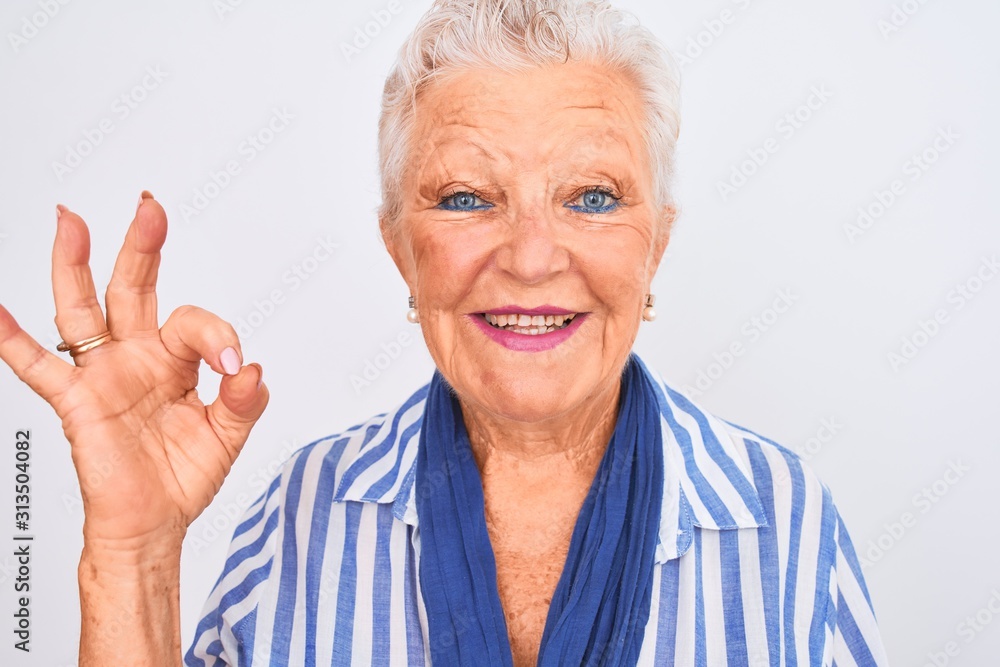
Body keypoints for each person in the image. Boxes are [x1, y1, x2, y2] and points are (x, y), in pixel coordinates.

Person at [0, 0, 889, 665]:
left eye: (592, 196)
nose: (534, 257)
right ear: (401, 250)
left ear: (655, 242)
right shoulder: (304, 515)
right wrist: (133, 554)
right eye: (466, 197)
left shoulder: (782, 522)